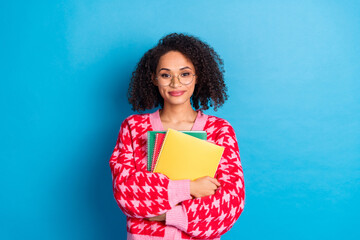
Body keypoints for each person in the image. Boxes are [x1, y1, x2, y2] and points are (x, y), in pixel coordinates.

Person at [109, 33, 245, 240]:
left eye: (184, 74)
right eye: (165, 75)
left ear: (197, 76)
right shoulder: (133, 127)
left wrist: (168, 214)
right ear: (154, 78)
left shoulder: (219, 130)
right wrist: (190, 188)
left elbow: (229, 203)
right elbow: (126, 191)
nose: (175, 83)